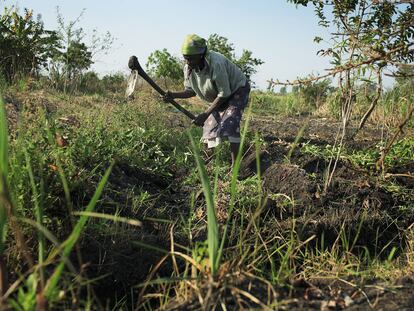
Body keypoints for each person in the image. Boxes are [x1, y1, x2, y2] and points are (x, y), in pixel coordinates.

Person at [163, 34, 250, 167]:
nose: (188, 62)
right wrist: (173, 95)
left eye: (191, 58)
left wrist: (206, 113)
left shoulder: (216, 63)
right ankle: (209, 165)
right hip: (219, 96)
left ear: (201, 54)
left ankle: (235, 166)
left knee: (230, 122)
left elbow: (224, 93)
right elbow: (191, 90)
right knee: (209, 127)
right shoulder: (188, 68)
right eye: (186, 58)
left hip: (236, 90)